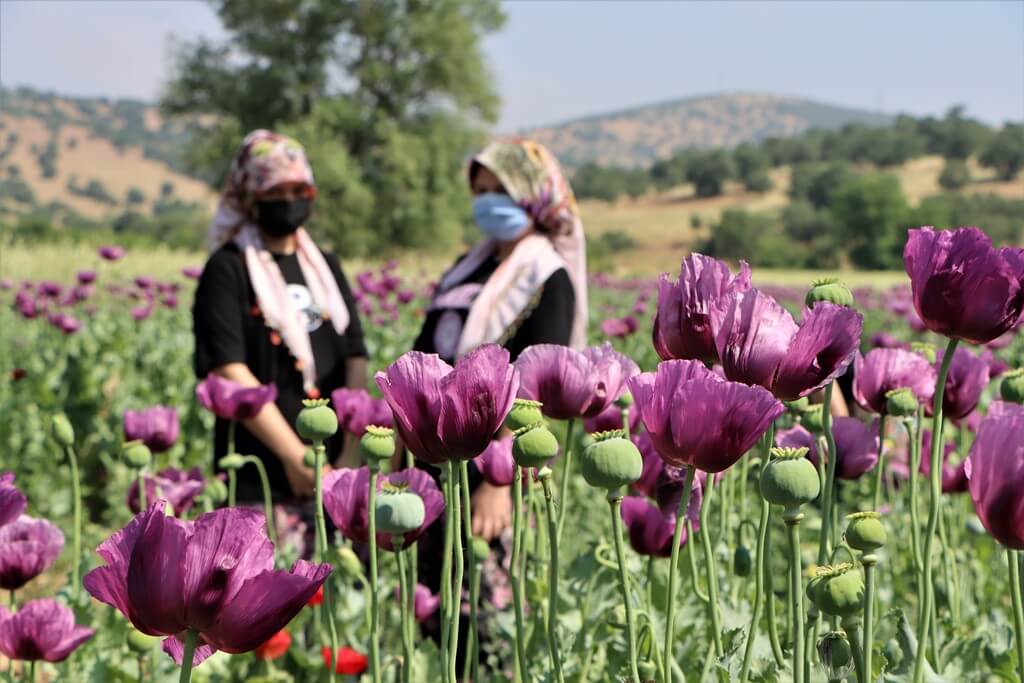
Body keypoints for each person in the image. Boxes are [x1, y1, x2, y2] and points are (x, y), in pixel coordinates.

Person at [409, 138, 587, 648]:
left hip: (494, 473)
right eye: (480, 190)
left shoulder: (548, 277)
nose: (487, 202)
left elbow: (533, 386)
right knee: (435, 608)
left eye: (500, 190)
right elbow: (423, 352)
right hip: (436, 459)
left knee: (484, 618)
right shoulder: (469, 266)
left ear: (533, 195)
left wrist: (499, 480)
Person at [193, 130, 368, 505]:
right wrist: (297, 458)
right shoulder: (228, 268)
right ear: (250, 197)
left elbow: (355, 355)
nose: (288, 201)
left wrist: (350, 453)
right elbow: (229, 370)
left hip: (338, 466)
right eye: (274, 192)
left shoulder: (325, 266)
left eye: (297, 190)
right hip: (262, 475)